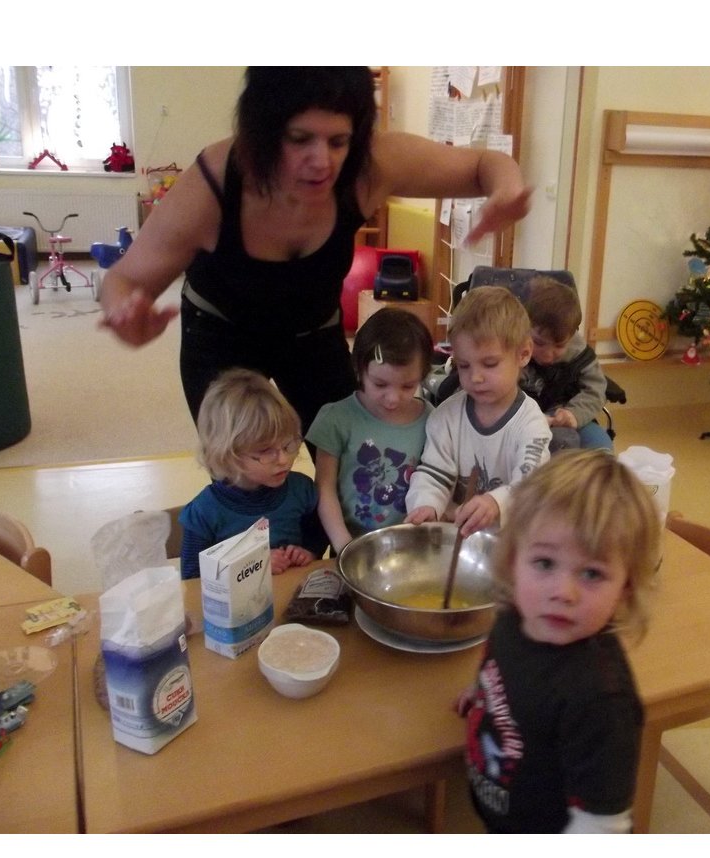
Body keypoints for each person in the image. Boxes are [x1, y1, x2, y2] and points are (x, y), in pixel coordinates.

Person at [99, 67, 532, 436]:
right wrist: (125, 313)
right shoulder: (213, 185)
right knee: (242, 472)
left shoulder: (371, 166)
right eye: (299, 139)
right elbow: (124, 278)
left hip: (312, 332)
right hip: (221, 334)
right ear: (262, 134)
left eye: (338, 141)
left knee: (349, 453)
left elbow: (485, 165)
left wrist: (506, 189)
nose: (321, 161)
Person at [455, 449, 661, 833]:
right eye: (545, 563)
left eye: (592, 573)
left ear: (626, 588)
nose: (563, 592)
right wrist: (482, 692)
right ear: (514, 560)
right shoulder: (516, 613)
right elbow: (499, 656)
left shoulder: (602, 701)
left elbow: (601, 826)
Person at [404, 286, 551, 537]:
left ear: (524, 354)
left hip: (508, 542)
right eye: (464, 365)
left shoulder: (532, 425)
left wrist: (496, 502)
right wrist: (426, 505)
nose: (475, 377)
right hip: (455, 538)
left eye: (489, 364)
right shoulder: (446, 417)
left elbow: (531, 487)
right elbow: (433, 474)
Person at [306, 307, 434, 554]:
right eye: (380, 384)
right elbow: (324, 488)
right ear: (359, 369)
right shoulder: (337, 418)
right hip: (352, 546)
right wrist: (345, 546)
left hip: (411, 548)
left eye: (408, 386)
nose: (393, 398)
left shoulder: (431, 418)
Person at [178, 368, 324, 579]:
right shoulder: (205, 512)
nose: (283, 459)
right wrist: (254, 565)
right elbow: (192, 576)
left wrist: (309, 551)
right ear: (227, 455)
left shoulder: (302, 490)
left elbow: (316, 535)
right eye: (265, 451)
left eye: (288, 445)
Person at [522, 276, 614, 452]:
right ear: (525, 327)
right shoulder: (513, 349)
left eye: (559, 346)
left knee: (600, 447)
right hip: (522, 421)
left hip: (566, 414)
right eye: (539, 343)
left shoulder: (580, 355)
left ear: (571, 336)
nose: (548, 356)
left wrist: (573, 414)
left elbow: (595, 390)